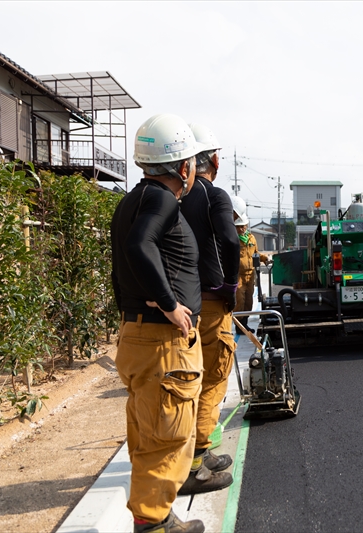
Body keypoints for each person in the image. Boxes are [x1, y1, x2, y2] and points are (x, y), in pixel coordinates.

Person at [111, 113, 205, 533]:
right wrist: (169, 303)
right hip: (161, 342)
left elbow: (128, 258)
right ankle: (153, 525)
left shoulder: (132, 199)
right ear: (183, 168)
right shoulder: (163, 199)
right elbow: (139, 245)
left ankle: (158, 516)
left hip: (139, 336)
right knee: (167, 436)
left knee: (150, 434)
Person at [177, 123, 240, 496]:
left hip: (181, 305)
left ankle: (196, 454)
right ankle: (198, 459)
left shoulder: (172, 197)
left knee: (186, 378)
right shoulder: (213, 194)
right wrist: (230, 284)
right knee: (214, 375)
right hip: (213, 299)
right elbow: (229, 240)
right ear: (214, 159)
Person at [232, 196, 270, 315]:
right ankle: (239, 325)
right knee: (239, 301)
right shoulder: (232, 239)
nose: (242, 229)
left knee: (249, 301)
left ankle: (245, 323)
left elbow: (255, 253)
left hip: (250, 275)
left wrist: (264, 258)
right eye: (239, 226)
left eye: (244, 226)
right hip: (238, 275)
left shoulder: (251, 238)